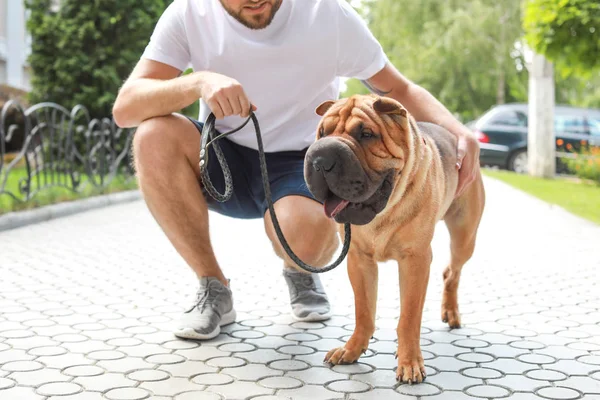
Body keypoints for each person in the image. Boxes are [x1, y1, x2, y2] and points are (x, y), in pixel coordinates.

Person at [112, 0, 480, 340]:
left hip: (302, 162)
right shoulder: (188, 13)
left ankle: (300, 272)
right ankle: (212, 286)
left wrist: (460, 132)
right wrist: (198, 82)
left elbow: (398, 87)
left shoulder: (327, 14)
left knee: (306, 241)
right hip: (223, 156)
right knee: (152, 136)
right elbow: (125, 108)